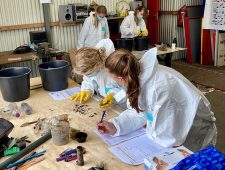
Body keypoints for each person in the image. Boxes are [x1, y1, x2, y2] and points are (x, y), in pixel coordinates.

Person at [97, 48, 217, 152]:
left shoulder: (158, 88)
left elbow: (167, 136)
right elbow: (140, 111)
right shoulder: (137, 77)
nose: (115, 83)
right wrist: (116, 126)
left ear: (121, 79)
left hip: (193, 133)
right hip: (175, 129)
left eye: (114, 80)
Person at [71, 39, 126, 109]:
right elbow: (88, 81)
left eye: (89, 73)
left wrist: (114, 97)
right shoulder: (92, 63)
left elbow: (127, 90)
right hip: (103, 101)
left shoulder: (117, 66)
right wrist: (86, 90)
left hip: (120, 107)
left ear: (97, 66)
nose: (87, 76)